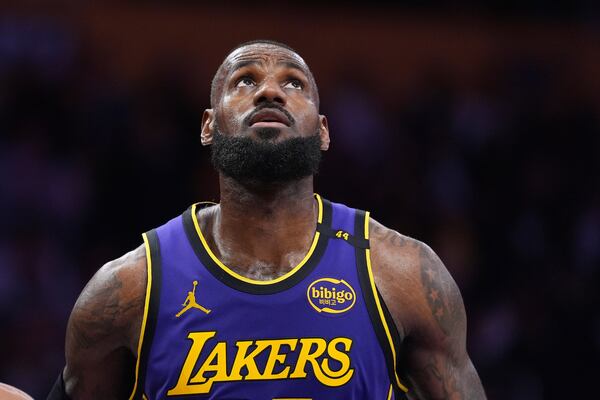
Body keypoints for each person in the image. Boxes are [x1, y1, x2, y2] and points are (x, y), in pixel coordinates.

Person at [48, 40, 486, 399]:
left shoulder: (404, 274)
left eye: (294, 83)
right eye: (245, 81)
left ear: (323, 131)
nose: (270, 92)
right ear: (208, 126)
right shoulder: (127, 290)